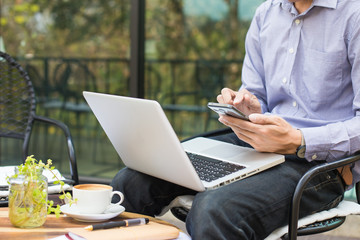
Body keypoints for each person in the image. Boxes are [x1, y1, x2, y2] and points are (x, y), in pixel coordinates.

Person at [111, 0, 360, 239]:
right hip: (257, 144)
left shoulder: (354, 14)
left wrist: (300, 140)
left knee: (214, 210)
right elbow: (256, 93)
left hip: (318, 163)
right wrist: (248, 106)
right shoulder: (266, 14)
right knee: (131, 181)